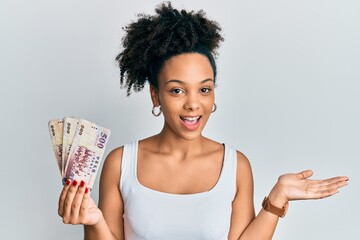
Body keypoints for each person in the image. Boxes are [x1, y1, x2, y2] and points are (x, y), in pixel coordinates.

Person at [57, 2, 349, 239]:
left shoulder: (236, 167)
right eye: (176, 90)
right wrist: (93, 222)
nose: (193, 103)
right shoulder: (121, 163)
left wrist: (278, 198)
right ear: (155, 96)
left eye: (204, 89)